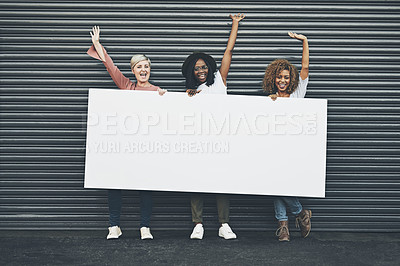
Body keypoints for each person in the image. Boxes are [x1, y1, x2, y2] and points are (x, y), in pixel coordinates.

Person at [87, 26, 166, 240]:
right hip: (124, 147)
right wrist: (97, 45)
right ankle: (114, 226)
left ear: (150, 70)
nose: (143, 70)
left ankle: (144, 227)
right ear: (133, 70)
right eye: (139, 67)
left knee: (146, 185)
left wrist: (165, 98)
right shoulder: (127, 87)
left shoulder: (158, 92)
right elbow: (111, 67)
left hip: (146, 148)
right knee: (114, 182)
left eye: (146, 66)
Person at [181, 13, 245, 240]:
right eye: (197, 68)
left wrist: (235, 24)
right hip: (198, 142)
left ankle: (223, 224)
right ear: (192, 71)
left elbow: (228, 52)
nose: (201, 71)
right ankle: (198, 224)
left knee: (221, 181)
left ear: (209, 67)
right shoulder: (189, 93)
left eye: (204, 67)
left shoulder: (219, 80)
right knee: (197, 181)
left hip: (221, 140)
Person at [263, 31, 312, 242]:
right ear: (273, 78)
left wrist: (305, 42)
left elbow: (306, 67)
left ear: (291, 79)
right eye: (279, 77)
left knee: (279, 183)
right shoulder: (269, 98)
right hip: (273, 147)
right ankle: (288, 223)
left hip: (293, 148)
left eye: (286, 77)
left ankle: (294, 216)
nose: (282, 80)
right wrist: (270, 102)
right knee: (275, 182)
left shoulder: (298, 94)